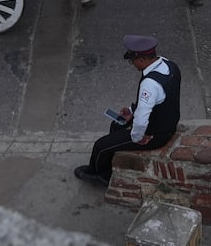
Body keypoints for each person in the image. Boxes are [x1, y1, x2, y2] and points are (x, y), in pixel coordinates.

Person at [74, 34, 181, 187]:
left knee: (100, 146)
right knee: (117, 124)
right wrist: (132, 110)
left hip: (155, 134)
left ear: (143, 60)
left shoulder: (150, 83)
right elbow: (158, 100)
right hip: (168, 123)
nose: (132, 64)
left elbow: (142, 119)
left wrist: (138, 137)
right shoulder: (169, 65)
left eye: (133, 61)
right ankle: (113, 157)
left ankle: (99, 174)